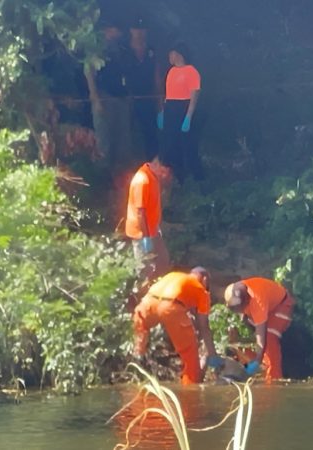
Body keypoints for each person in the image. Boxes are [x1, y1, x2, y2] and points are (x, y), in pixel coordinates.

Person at [133, 268, 224, 384]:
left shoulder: (173, 275)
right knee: (190, 358)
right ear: (205, 280)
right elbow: (204, 326)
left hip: (147, 303)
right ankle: (190, 391)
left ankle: (135, 372)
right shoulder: (202, 291)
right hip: (171, 307)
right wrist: (212, 354)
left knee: (139, 344)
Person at [224, 277, 296, 381]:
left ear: (246, 299)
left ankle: (274, 379)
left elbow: (261, 337)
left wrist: (257, 361)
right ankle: (262, 365)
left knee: (269, 338)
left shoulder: (257, 300)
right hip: (267, 309)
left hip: (281, 306)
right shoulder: (239, 293)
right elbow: (254, 330)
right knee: (257, 337)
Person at [85, 21, 132, 174]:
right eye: (114, 29)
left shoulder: (122, 48)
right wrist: (95, 98)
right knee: (103, 140)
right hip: (103, 97)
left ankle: (120, 177)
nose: (117, 33)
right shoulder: (96, 48)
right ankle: (102, 177)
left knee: (122, 138)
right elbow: (89, 71)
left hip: (121, 97)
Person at [124, 155, 171, 294]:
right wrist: (146, 238)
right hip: (141, 232)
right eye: (164, 171)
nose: (165, 175)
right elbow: (140, 212)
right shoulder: (142, 181)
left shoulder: (153, 176)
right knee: (145, 268)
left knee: (163, 260)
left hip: (152, 229)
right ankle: (142, 298)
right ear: (156, 164)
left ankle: (158, 291)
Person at [158, 43, 203, 182]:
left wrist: (189, 116)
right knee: (170, 143)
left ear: (177, 54)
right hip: (170, 107)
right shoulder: (171, 71)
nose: (169, 57)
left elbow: (194, 94)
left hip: (183, 107)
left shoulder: (191, 71)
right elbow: (168, 93)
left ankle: (195, 176)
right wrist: (162, 112)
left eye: (171, 53)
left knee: (187, 144)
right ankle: (176, 176)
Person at [123, 17, 161, 160]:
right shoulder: (124, 50)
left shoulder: (151, 50)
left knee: (150, 133)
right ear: (131, 31)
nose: (139, 33)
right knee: (128, 133)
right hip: (127, 98)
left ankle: (153, 164)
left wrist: (158, 99)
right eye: (136, 29)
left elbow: (156, 75)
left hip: (148, 97)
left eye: (142, 29)